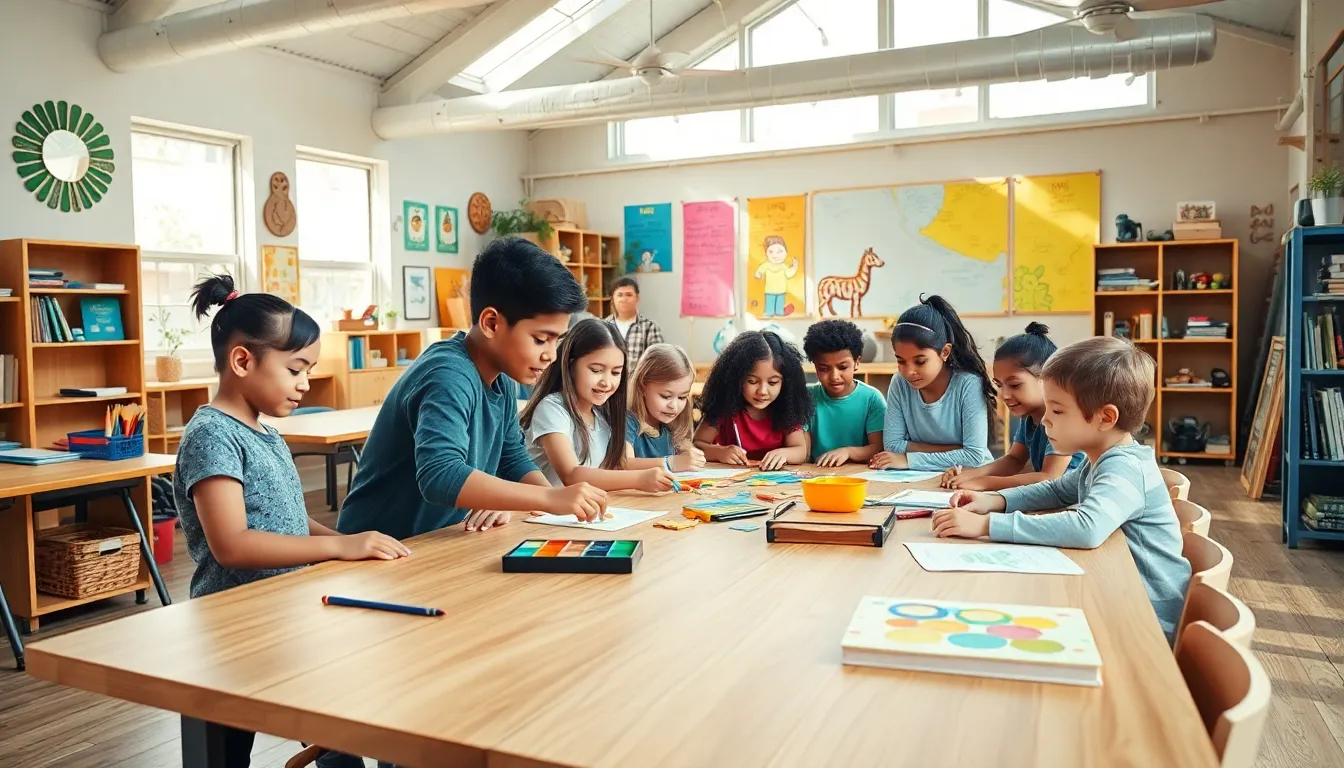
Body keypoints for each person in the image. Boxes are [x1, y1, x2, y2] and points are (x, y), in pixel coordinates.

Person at [173, 274, 410, 768]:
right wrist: (339, 549)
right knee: (227, 750)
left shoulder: (266, 433)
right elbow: (233, 546)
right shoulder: (211, 436)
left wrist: (354, 542)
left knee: (342, 714)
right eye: (296, 368)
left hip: (283, 612)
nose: (306, 383)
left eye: (309, 370)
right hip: (234, 627)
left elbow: (291, 521)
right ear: (242, 361)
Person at [336, 237, 608, 540]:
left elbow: (512, 457)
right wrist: (550, 499)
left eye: (558, 340)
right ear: (491, 323)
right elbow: (440, 474)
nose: (551, 354)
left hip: (433, 542)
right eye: (541, 339)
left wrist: (558, 504)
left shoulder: (502, 379)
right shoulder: (447, 374)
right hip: (377, 549)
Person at [932, 337, 1190, 643]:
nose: (1044, 420)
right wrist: (995, 500)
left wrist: (987, 525)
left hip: (1145, 621)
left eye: (1057, 410)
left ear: (1105, 418)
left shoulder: (1124, 468)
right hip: (1118, 596)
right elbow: (1055, 491)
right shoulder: (1102, 459)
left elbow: (1087, 527)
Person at [520, 319, 676, 492]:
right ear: (571, 365)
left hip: (582, 513)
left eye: (616, 372)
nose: (606, 382)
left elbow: (607, 472)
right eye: (596, 370)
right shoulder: (552, 408)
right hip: (542, 514)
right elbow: (571, 475)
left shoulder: (603, 416)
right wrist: (639, 478)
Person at [940, 323, 1086, 490]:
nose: (1004, 395)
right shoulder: (1029, 418)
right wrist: (970, 474)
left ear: (1047, 379)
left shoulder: (1061, 419)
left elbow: (1049, 477)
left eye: (1015, 385)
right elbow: (1014, 460)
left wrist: (984, 482)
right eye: (999, 385)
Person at [869, 295, 995, 472]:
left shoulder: (968, 384)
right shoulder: (899, 382)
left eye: (920, 362)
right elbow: (892, 446)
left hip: (968, 476)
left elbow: (974, 457)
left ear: (944, 352)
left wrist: (909, 459)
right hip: (917, 478)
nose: (908, 371)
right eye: (901, 361)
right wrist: (956, 450)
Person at [693, 330, 812, 470]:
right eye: (752, 381)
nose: (762, 391)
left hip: (776, 484)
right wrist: (720, 452)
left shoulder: (786, 409)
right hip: (733, 485)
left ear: (786, 383)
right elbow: (696, 445)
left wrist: (784, 454)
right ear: (735, 379)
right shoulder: (724, 408)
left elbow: (800, 450)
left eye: (773, 382)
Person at [802, 319, 886, 467]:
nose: (834, 376)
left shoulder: (872, 399)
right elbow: (804, 451)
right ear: (815, 367)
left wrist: (847, 452)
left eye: (842, 367)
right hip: (816, 473)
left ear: (857, 362)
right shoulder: (806, 398)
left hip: (859, 474)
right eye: (824, 369)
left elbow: (877, 448)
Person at [624, 343, 705, 471]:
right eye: (666, 396)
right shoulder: (629, 422)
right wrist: (671, 463)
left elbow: (688, 449)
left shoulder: (671, 426)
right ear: (642, 386)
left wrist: (693, 456)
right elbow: (625, 464)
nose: (674, 406)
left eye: (682, 397)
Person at [605, 276, 663, 367]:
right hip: (610, 380)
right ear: (612, 299)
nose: (624, 299)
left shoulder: (649, 327)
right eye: (619, 295)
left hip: (639, 380)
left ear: (637, 298)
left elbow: (658, 361)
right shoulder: (603, 327)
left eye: (628, 295)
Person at [754, 235, 798, 318]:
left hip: (781, 291)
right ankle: (769, 313)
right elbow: (758, 273)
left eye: (780, 251)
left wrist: (795, 267)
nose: (775, 255)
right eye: (771, 252)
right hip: (769, 290)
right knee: (769, 310)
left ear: (786, 252)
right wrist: (758, 274)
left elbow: (789, 274)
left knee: (779, 309)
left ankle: (780, 312)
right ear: (766, 253)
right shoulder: (766, 265)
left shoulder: (783, 266)